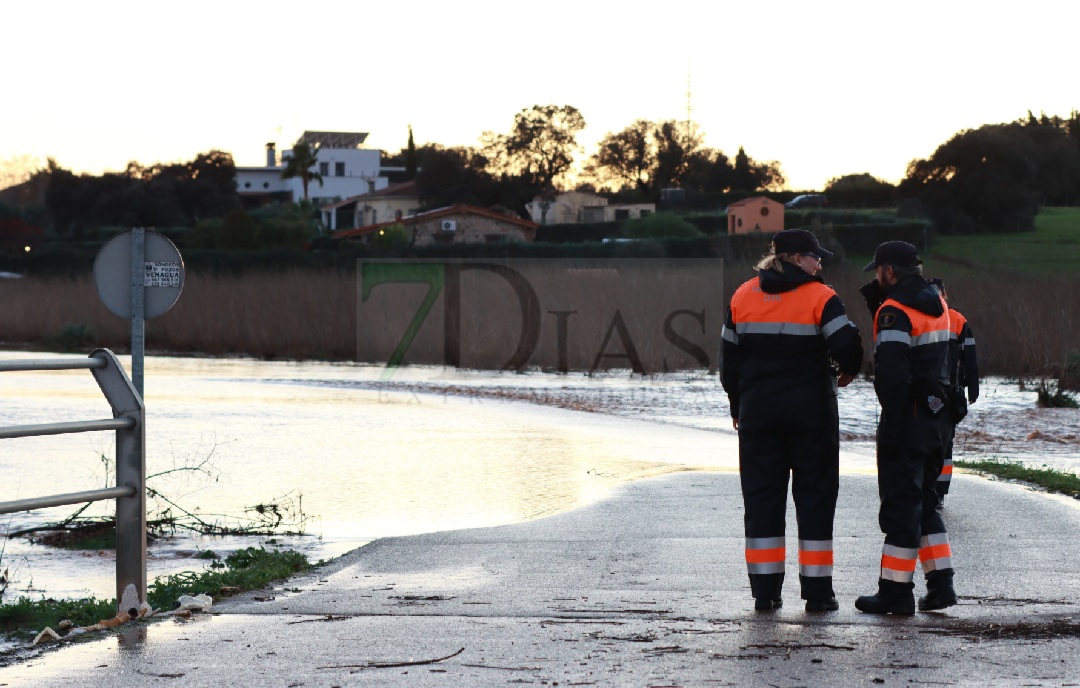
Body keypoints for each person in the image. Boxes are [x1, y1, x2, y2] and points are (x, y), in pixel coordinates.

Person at [721, 229, 863, 613]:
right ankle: (818, 594)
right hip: (811, 414)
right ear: (797, 259)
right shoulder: (822, 296)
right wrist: (849, 370)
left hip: (758, 414)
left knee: (762, 498)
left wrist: (738, 406)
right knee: (816, 498)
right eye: (815, 257)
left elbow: (728, 362)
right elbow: (847, 346)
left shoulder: (743, 295)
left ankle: (765, 593)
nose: (820, 263)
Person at [855, 241, 956, 615]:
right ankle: (941, 584)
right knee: (926, 502)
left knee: (900, 506)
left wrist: (892, 426)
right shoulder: (940, 304)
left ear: (890, 271)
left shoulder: (894, 312)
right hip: (937, 418)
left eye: (878, 271)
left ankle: (895, 593)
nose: (876, 277)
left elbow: (893, 375)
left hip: (908, 417)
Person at [928, 278, 980, 505]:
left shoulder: (957, 320)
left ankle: (936, 491)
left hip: (941, 391)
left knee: (939, 441)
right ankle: (935, 491)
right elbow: (970, 357)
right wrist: (972, 387)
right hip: (943, 391)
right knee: (944, 442)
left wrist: (972, 387)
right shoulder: (955, 319)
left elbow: (969, 356)